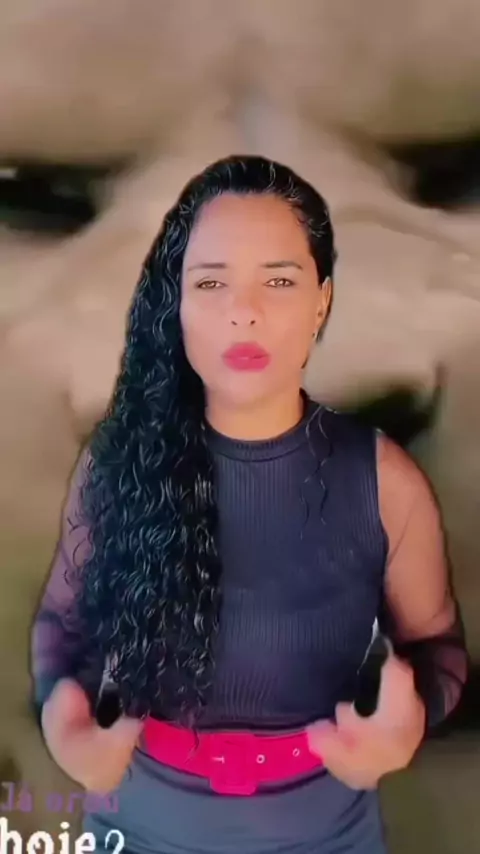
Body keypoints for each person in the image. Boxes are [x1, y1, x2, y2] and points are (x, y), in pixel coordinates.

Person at [31, 155, 468, 854]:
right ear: (176, 302)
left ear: (321, 300)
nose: (245, 311)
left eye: (280, 280)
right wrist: (64, 720)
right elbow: (61, 624)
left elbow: (438, 648)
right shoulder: (116, 465)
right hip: (134, 830)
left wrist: (409, 719)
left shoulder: (386, 479)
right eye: (212, 282)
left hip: (329, 837)